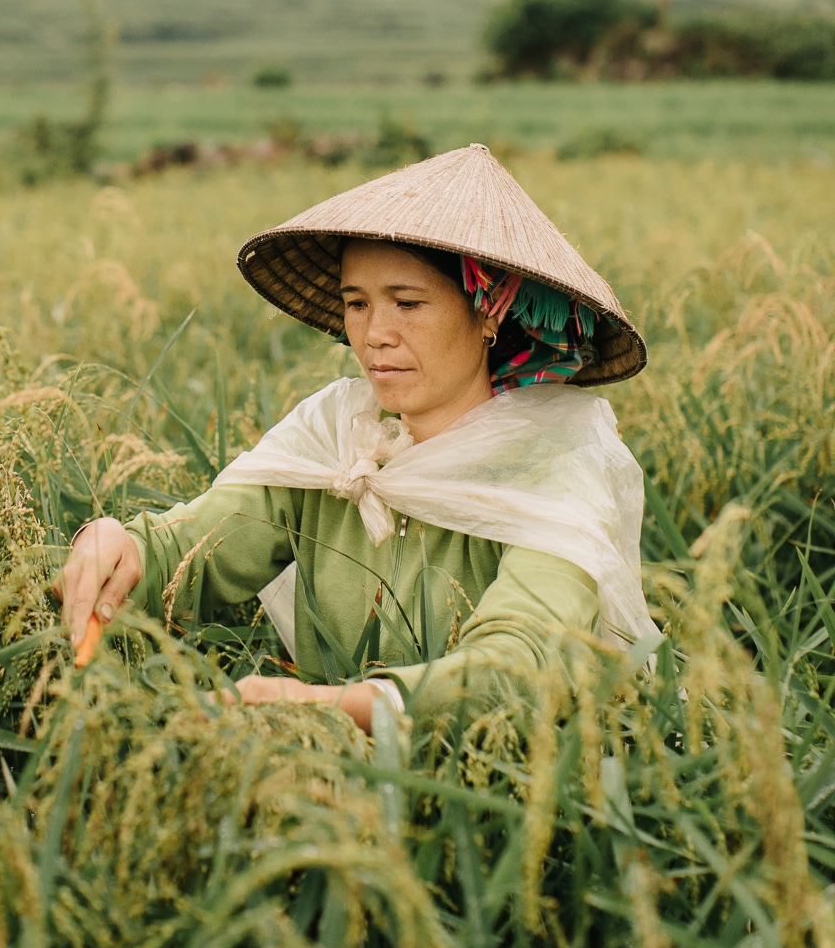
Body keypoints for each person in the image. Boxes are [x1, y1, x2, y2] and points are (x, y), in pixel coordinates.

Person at [59, 143, 658, 733]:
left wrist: (339, 708)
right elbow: (197, 547)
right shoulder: (335, 442)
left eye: (408, 303)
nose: (375, 334)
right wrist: (120, 545)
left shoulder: (551, 469)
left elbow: (519, 664)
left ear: (487, 313)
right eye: (357, 303)